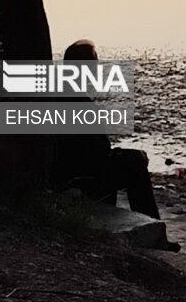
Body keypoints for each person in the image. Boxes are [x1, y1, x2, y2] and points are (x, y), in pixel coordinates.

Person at [51, 40, 178, 251]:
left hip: (75, 171)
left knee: (130, 160)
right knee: (134, 163)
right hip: (80, 177)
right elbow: (95, 153)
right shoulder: (74, 100)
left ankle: (154, 229)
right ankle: (155, 232)